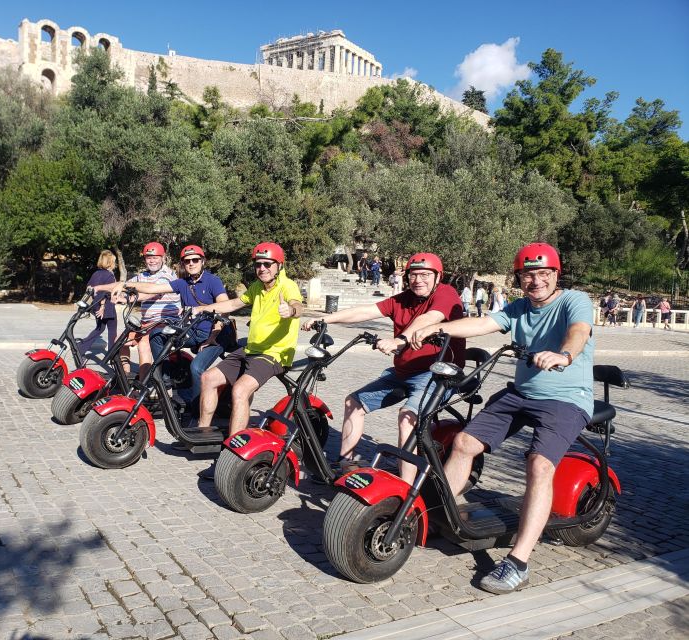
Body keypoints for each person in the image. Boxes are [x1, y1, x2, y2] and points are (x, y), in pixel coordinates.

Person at [412, 242, 594, 595]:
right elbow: (483, 322)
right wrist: (441, 329)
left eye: (544, 274)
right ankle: (438, 515)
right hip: (522, 395)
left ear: (556, 275)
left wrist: (564, 355)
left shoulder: (574, 300)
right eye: (529, 274)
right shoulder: (519, 307)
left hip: (567, 398)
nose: (536, 281)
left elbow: (579, 331)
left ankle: (518, 562)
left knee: (540, 465)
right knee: (464, 442)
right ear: (519, 278)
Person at [302, 252, 464, 483]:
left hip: (436, 376)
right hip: (402, 373)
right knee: (353, 402)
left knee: (407, 417)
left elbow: (431, 318)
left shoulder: (446, 294)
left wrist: (401, 339)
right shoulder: (403, 299)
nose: (418, 279)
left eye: (425, 274)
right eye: (414, 274)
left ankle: (405, 490)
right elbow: (366, 311)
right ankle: (346, 463)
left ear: (438, 277)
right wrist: (326, 320)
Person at [193, 242, 303, 477]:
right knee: (209, 378)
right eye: (258, 264)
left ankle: (231, 457)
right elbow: (234, 303)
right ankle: (202, 437)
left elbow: (297, 305)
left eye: (267, 264)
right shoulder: (256, 286)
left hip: (274, 353)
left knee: (240, 391)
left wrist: (291, 311)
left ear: (279, 265)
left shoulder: (287, 285)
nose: (262, 268)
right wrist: (205, 309)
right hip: (252, 349)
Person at [118, 245, 233, 405]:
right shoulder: (182, 283)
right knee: (157, 335)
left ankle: (195, 407)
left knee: (196, 368)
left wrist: (214, 334)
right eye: (187, 261)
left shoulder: (213, 281)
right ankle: (165, 378)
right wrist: (125, 285)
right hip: (194, 332)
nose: (191, 263)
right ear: (183, 264)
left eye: (195, 260)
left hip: (216, 335)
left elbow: (225, 306)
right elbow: (153, 288)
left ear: (203, 261)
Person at [97, 242, 181, 378]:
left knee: (143, 343)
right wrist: (98, 288)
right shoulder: (143, 276)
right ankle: (124, 376)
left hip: (165, 323)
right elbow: (123, 285)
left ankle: (143, 384)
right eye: (149, 257)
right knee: (120, 340)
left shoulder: (167, 274)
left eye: (155, 257)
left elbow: (151, 293)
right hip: (147, 324)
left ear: (163, 257)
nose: (152, 260)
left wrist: (127, 299)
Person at [77, 250, 118, 358]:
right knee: (112, 330)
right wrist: (103, 306)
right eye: (114, 261)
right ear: (110, 262)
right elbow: (107, 292)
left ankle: (80, 348)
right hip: (107, 307)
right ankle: (113, 355)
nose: (115, 264)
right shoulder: (110, 275)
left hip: (96, 305)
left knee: (99, 328)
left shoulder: (96, 273)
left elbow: (89, 288)